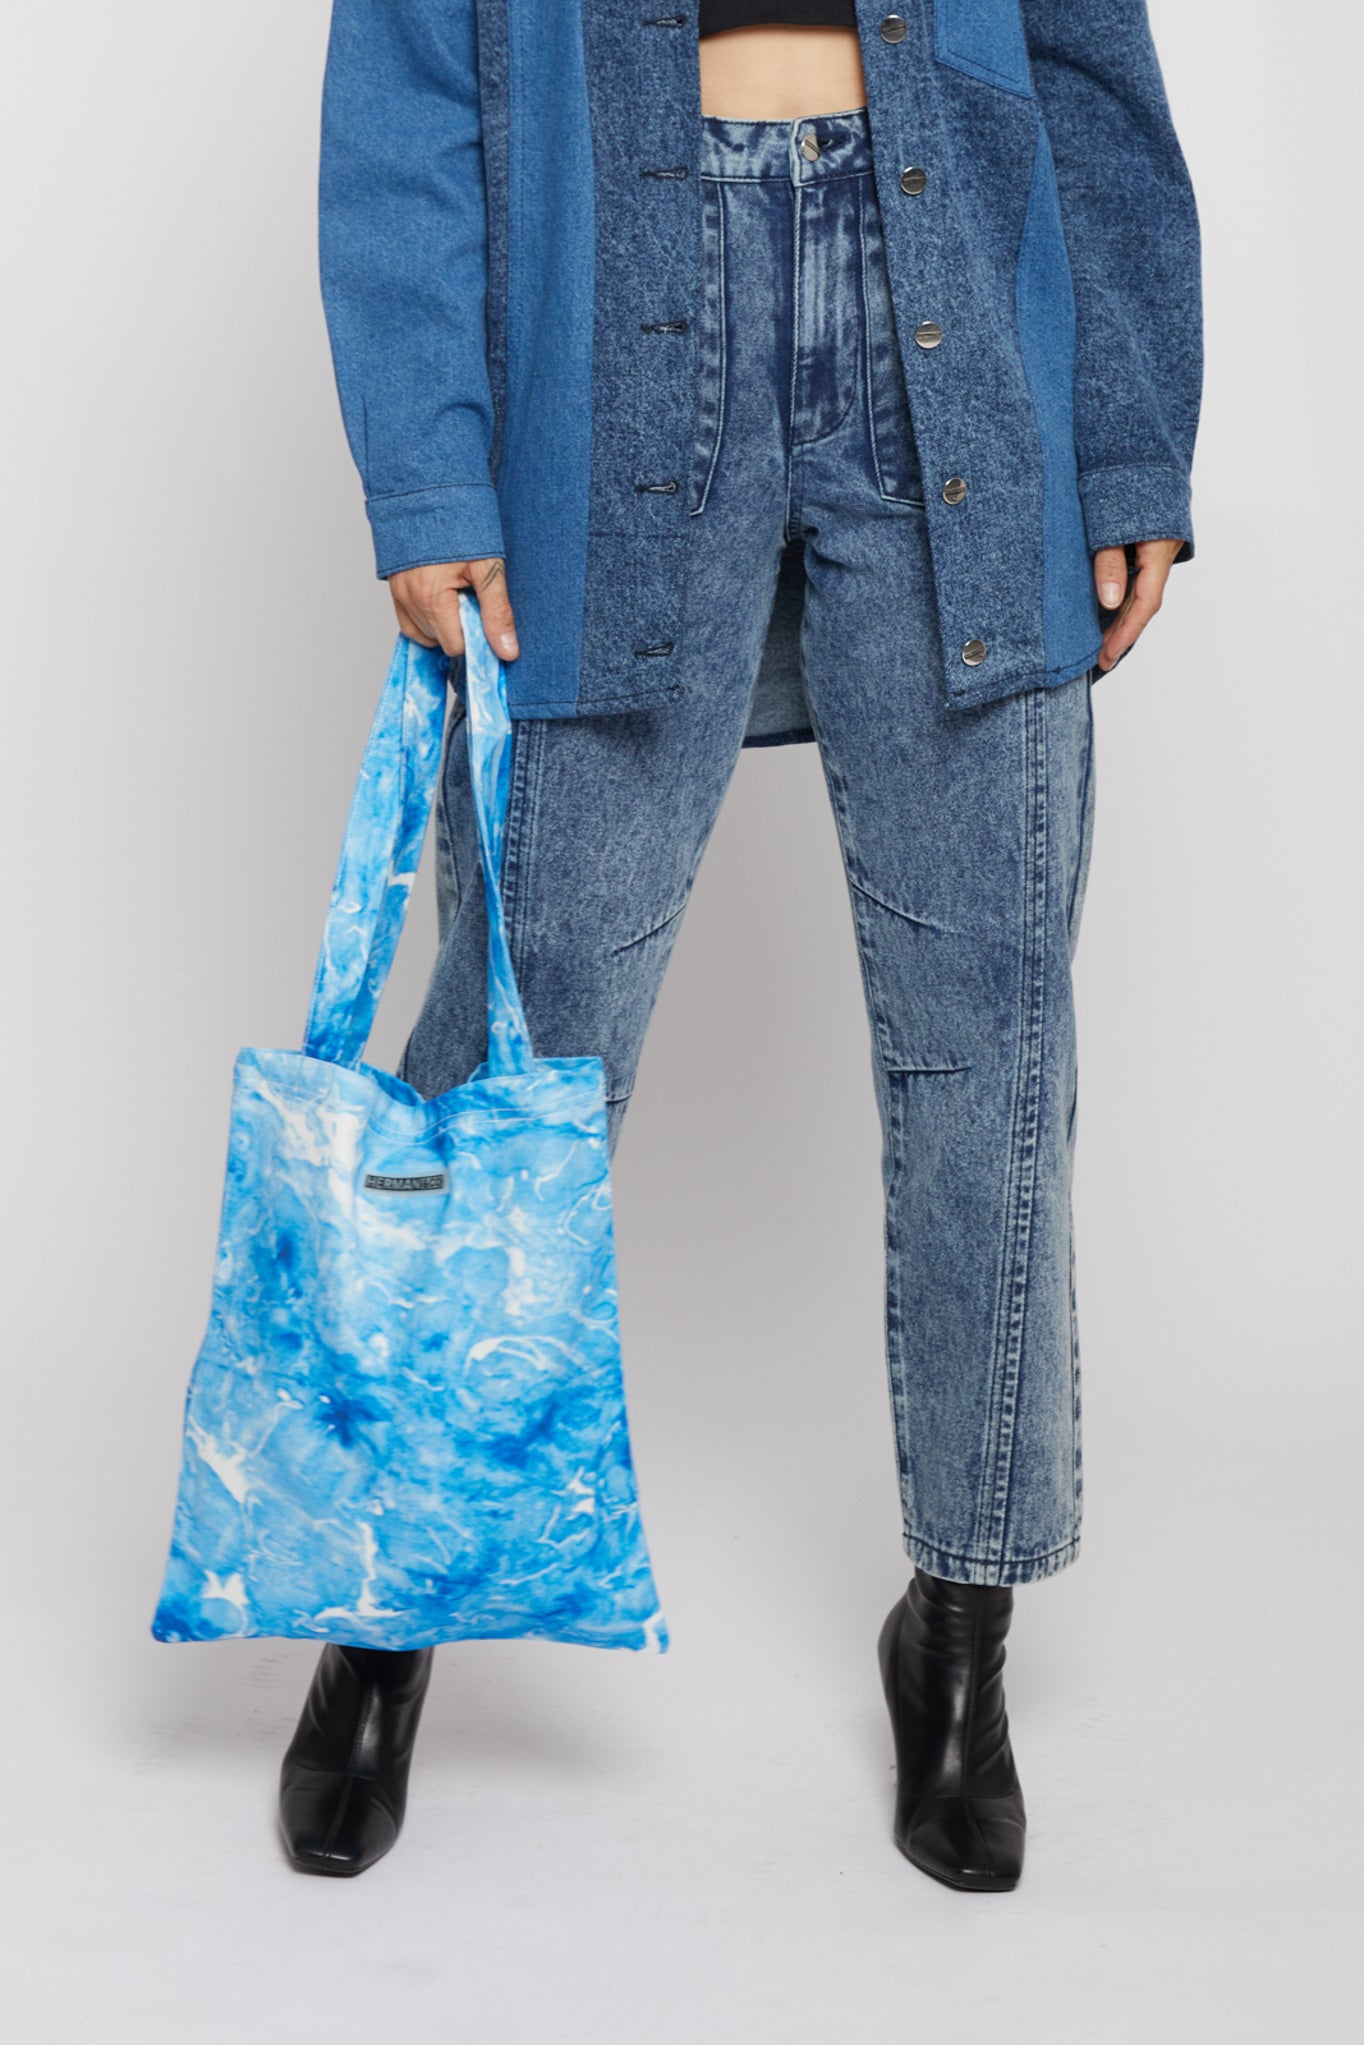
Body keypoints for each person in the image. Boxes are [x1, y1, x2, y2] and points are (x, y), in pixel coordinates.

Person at [278, 2, 1201, 1889]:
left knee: (993, 1054)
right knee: (529, 1028)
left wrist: (1128, 434)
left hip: (942, 282)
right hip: (617, 317)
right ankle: (388, 1601)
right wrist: (434, 468)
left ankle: (960, 1632)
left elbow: (1089, 55)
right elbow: (409, 73)